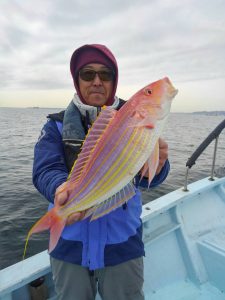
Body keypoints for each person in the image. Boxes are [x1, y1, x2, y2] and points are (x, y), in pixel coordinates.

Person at [33, 44, 170, 300]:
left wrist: (160, 165)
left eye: (105, 74)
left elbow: (150, 177)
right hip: (70, 246)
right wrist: (60, 189)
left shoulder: (135, 119)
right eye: (87, 74)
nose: (97, 81)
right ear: (77, 80)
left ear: (114, 80)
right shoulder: (55, 125)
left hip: (122, 243)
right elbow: (44, 169)